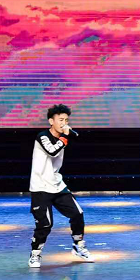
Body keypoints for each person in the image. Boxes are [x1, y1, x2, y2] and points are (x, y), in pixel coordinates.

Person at [28, 104, 93, 268]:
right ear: (51, 121)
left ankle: (78, 246)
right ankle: (35, 254)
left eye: (66, 120)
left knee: (77, 214)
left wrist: (66, 136)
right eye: (61, 120)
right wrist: (64, 137)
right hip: (40, 186)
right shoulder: (42, 136)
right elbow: (52, 151)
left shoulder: (63, 137)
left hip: (57, 184)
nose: (64, 123)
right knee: (45, 224)